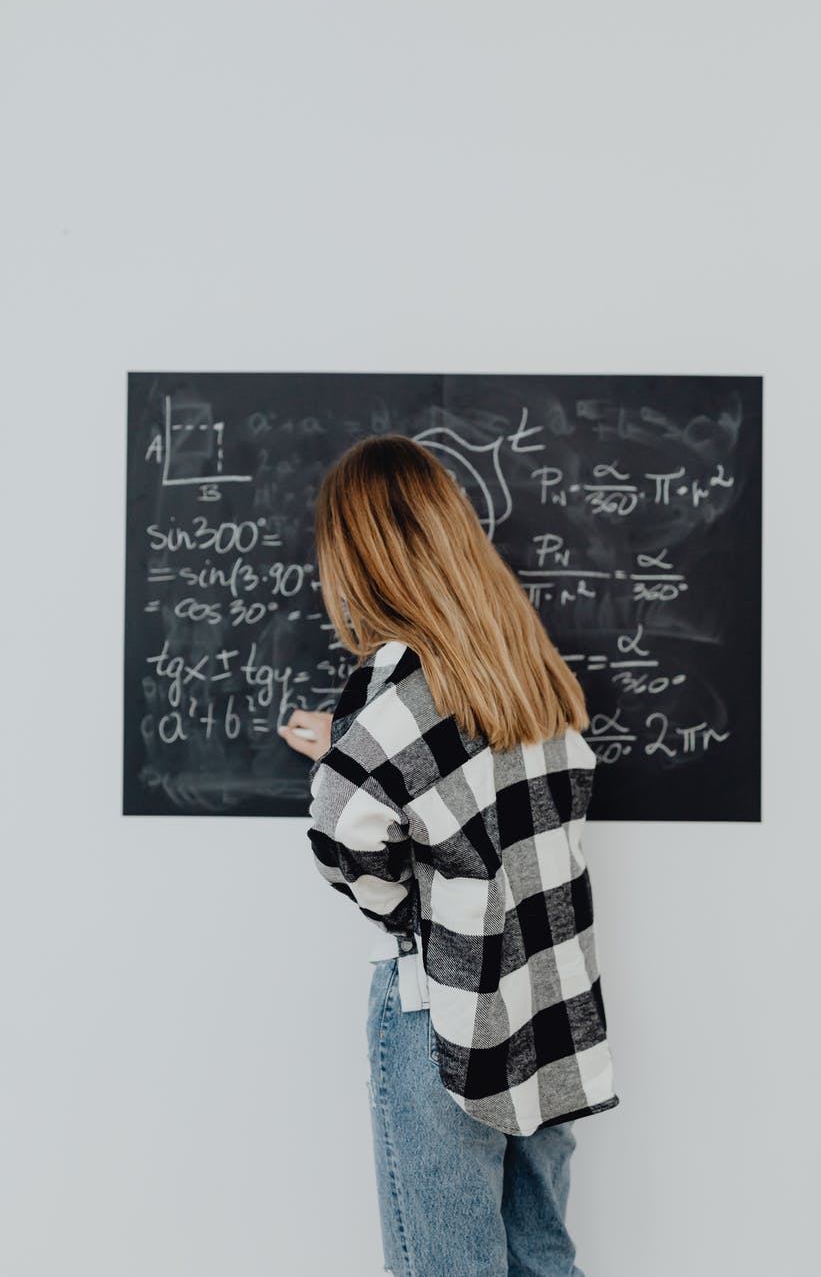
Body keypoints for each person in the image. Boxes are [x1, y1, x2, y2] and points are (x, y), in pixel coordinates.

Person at [278, 433, 619, 1277]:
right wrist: (353, 750)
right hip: (546, 1000)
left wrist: (408, 909)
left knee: (447, 1266)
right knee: (541, 1252)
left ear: (359, 560)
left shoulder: (395, 687)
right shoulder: (523, 667)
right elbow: (492, 804)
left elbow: (341, 832)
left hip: (446, 1009)